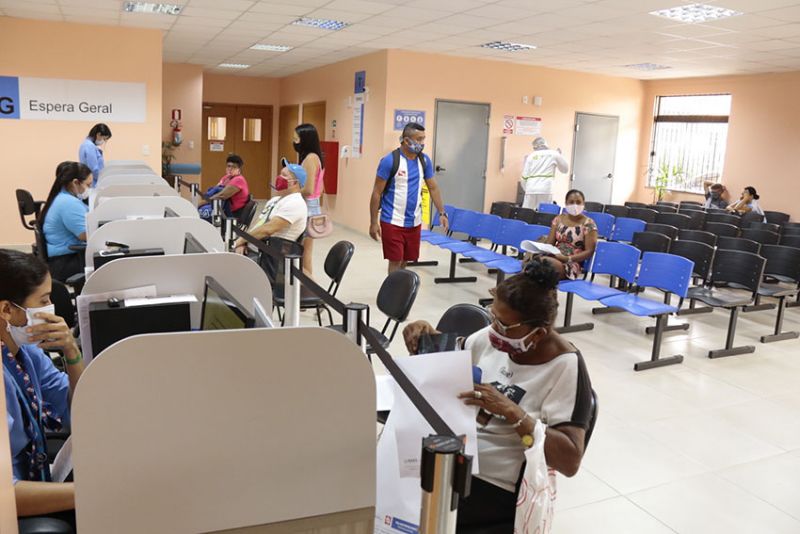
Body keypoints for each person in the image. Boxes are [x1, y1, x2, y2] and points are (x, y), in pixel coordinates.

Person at [402, 258, 593, 527]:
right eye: (493, 318)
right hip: (457, 458)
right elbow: (450, 362)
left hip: (497, 486)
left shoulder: (565, 366)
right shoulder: (488, 338)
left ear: (538, 334)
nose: (493, 332)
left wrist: (512, 412)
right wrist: (424, 336)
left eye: (503, 327)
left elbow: (570, 460)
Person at [1, 249, 85, 528]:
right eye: (44, 300)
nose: (51, 309)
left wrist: (71, 351)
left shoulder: (25, 352)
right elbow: (5, 493)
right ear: (7, 310)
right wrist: (89, 492)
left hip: (32, 477)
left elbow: (79, 412)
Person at [369, 123, 448, 273]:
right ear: (406, 140)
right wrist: (373, 222)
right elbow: (376, 192)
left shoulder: (424, 161)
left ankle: (399, 292)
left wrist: (442, 212)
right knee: (395, 260)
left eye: (423, 139)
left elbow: (433, 187)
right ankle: (392, 294)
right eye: (418, 139)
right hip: (391, 220)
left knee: (405, 260)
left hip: (414, 222)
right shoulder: (390, 161)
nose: (422, 143)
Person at [234, 163, 308, 253]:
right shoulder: (275, 200)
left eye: (284, 175)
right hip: (256, 247)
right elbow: (258, 224)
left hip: (271, 255)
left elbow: (268, 229)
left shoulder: (295, 203)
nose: (279, 177)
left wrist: (240, 241)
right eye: (280, 174)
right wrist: (244, 243)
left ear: (295, 182)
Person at [40, 162, 92, 282]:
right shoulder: (69, 203)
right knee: (107, 261)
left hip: (59, 260)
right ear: (75, 182)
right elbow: (85, 235)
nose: (89, 189)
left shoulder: (61, 197)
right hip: (65, 262)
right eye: (88, 185)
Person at [536, 189, 598, 280]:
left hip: (572, 262)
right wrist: (540, 249)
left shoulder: (589, 224)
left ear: (583, 204)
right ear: (566, 203)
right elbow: (550, 243)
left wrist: (567, 258)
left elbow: (589, 251)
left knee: (544, 266)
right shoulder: (558, 219)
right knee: (535, 264)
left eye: (578, 202)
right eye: (571, 202)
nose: (575, 205)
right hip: (555, 255)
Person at [292, 123, 325, 275]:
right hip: (312, 206)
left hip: (308, 208)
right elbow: (321, 188)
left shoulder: (311, 159)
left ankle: (309, 290)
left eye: (296, 137)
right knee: (304, 253)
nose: (294, 140)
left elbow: (309, 189)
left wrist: (292, 191)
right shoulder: (315, 158)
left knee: (305, 256)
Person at [520, 137, 569, 209]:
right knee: (544, 213)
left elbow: (524, 177)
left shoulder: (531, 156)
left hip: (531, 189)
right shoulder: (554, 154)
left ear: (534, 146)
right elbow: (565, 170)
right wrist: (560, 155)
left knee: (527, 213)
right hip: (546, 189)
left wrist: (527, 189)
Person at [198, 154, 250, 220]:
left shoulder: (239, 179)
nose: (230, 169)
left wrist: (200, 203)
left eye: (234, 167)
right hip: (220, 208)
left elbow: (221, 195)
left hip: (230, 213)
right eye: (228, 166)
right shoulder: (226, 177)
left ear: (239, 169)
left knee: (200, 211)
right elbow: (214, 191)